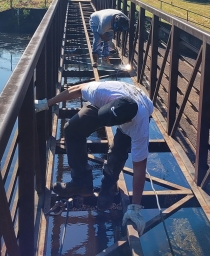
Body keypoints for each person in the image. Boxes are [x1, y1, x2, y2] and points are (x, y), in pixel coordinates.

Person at [35, 81, 153, 235]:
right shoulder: (101, 93)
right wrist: (46, 103)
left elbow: (139, 166)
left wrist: (135, 208)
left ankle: (108, 187)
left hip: (137, 111)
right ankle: (81, 182)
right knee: (72, 128)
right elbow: (76, 88)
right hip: (111, 103)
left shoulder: (139, 126)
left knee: (118, 153)